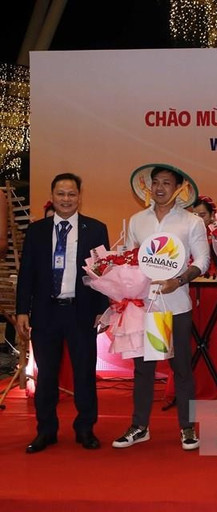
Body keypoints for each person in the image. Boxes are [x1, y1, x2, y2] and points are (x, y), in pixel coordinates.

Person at [112, 164, 209, 451]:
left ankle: (187, 427)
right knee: (143, 369)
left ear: (178, 188)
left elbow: (201, 261)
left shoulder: (192, 222)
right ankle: (140, 426)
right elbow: (128, 260)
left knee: (181, 368)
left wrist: (179, 280)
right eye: (155, 182)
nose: (159, 188)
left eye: (166, 183)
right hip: (144, 306)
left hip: (176, 304)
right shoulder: (137, 221)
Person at [16, 173, 110, 453]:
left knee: (84, 374)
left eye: (71, 194)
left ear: (79, 196)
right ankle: (46, 431)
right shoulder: (37, 231)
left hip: (80, 312)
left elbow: (103, 272)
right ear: (53, 195)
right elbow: (27, 274)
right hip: (46, 313)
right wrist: (22, 310)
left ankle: (85, 429)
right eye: (61, 194)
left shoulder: (95, 229)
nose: (66, 199)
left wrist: (103, 308)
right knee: (45, 375)